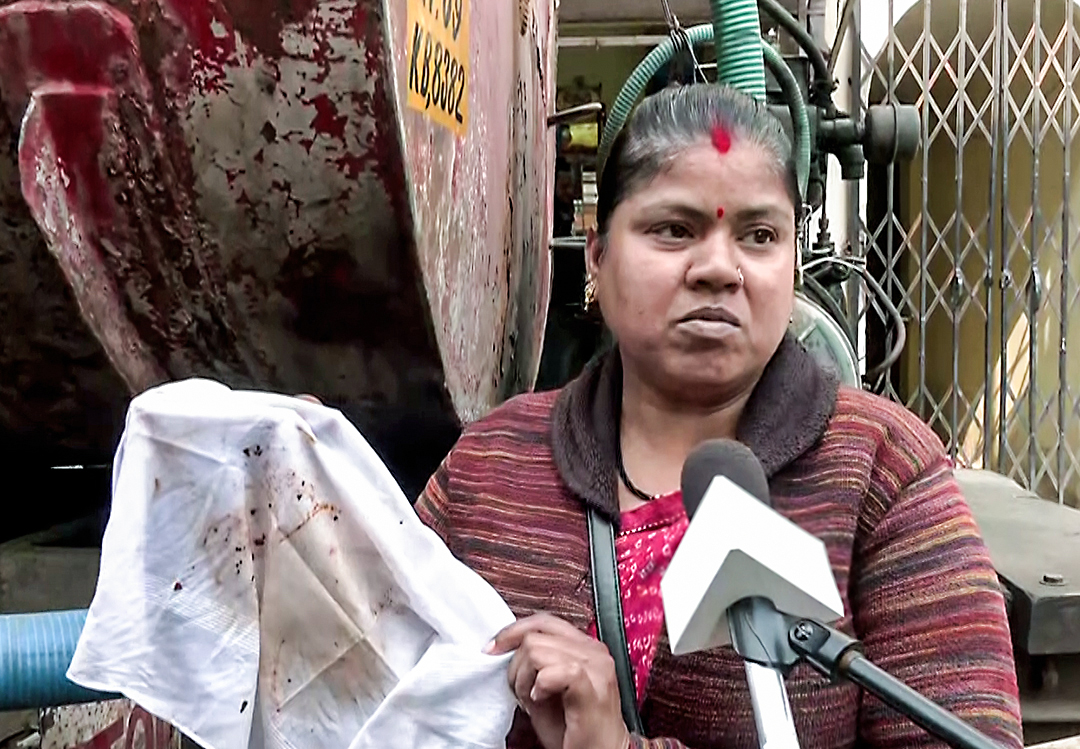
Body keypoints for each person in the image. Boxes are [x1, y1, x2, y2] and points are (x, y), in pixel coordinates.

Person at [415, 84, 1023, 749]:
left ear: (793, 261)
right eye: (674, 229)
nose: (718, 269)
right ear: (597, 255)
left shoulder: (883, 471)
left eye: (758, 235)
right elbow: (360, 684)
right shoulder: (489, 466)